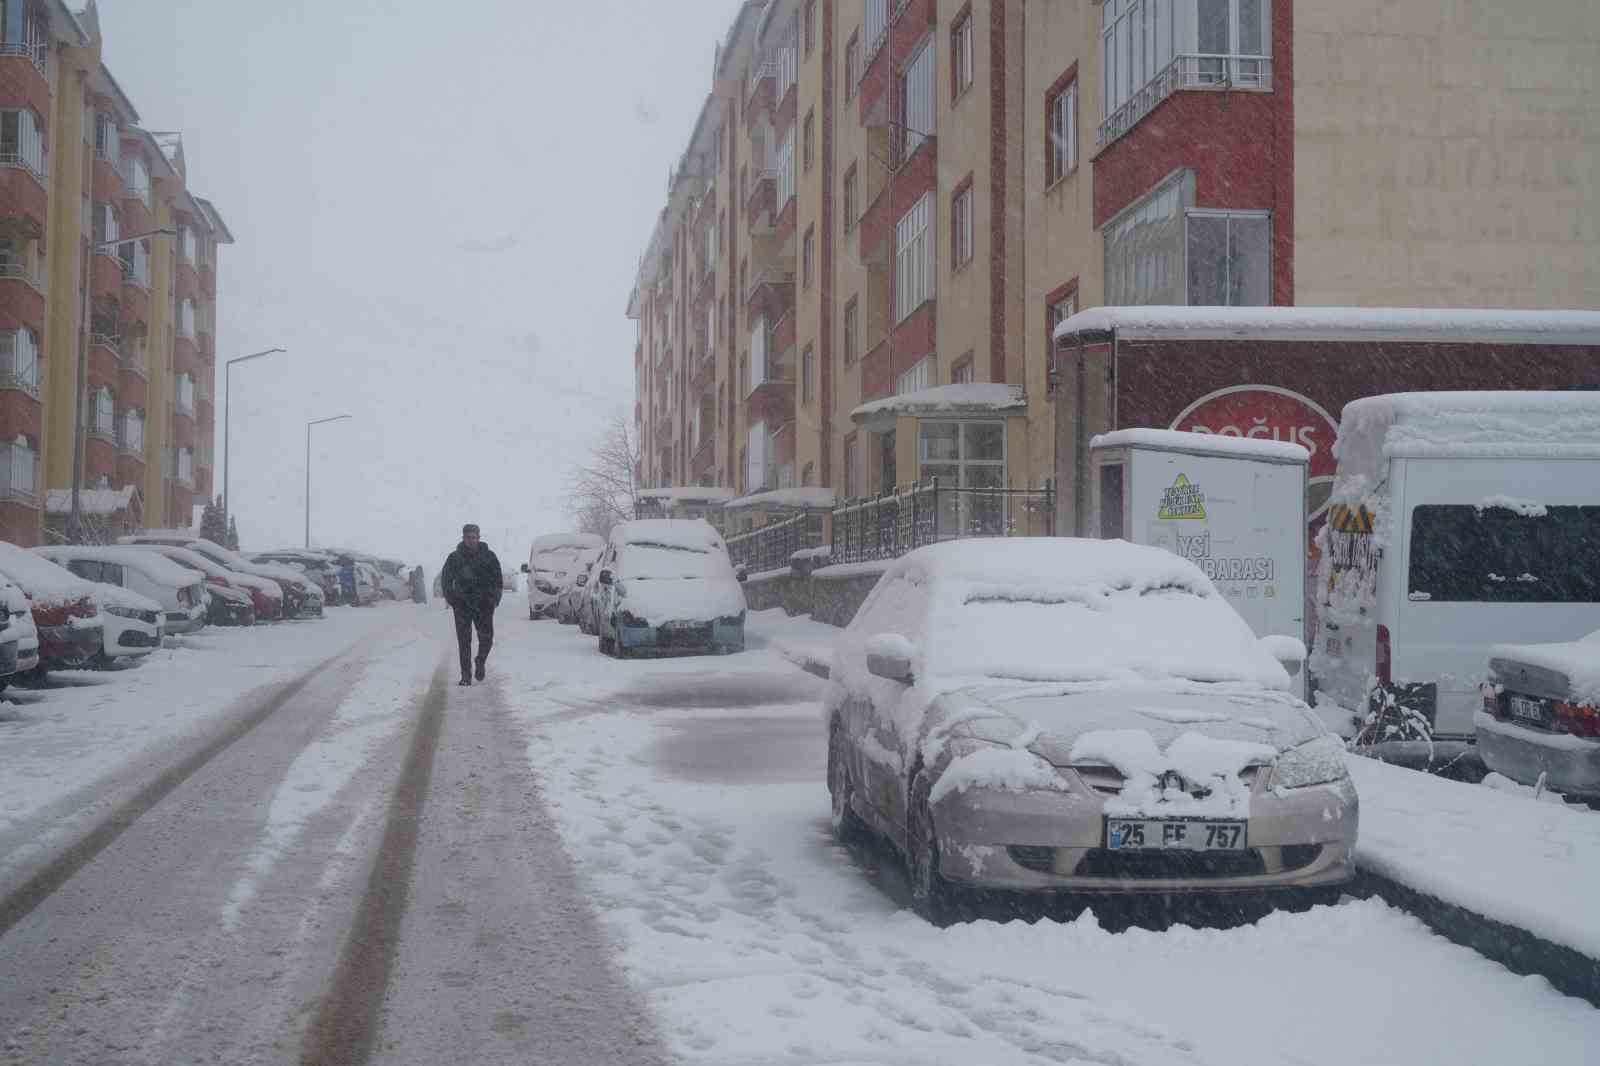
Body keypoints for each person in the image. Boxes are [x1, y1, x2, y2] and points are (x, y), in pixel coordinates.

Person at [440, 524, 503, 686]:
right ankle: (466, 675)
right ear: (463, 538)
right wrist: (452, 599)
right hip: (462, 605)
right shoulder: (454, 558)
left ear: (479, 538)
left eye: (474, 537)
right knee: (464, 641)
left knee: (487, 639)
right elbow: (446, 580)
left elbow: (498, 579)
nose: (471, 540)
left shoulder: (489, 556)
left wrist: (495, 598)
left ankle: (480, 661)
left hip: (484, 605)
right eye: (468, 537)